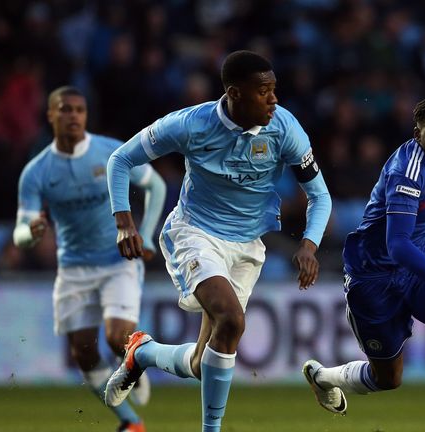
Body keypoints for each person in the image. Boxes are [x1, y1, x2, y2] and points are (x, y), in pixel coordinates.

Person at [103, 50, 332, 432]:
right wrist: (125, 221)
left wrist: (309, 244)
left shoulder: (285, 128)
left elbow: (320, 196)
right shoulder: (190, 124)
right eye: (264, 91)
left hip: (247, 247)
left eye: (274, 89)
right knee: (232, 318)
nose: (274, 98)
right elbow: (120, 160)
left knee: (199, 362)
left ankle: (141, 352)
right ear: (235, 93)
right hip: (196, 234)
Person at [302, 97, 425, 432]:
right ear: (417, 134)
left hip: (418, 266)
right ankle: (323, 377)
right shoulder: (405, 173)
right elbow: (397, 246)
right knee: (388, 379)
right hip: (374, 278)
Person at [13, 86, 166, 432]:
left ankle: (130, 363)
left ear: (86, 115)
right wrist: (31, 232)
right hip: (73, 269)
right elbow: (20, 232)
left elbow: (154, 185)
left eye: (79, 110)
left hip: (118, 262)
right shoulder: (36, 172)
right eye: (65, 109)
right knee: (83, 353)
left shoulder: (109, 152)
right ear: (50, 115)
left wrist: (150, 235)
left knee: (117, 337)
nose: (73, 116)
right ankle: (132, 423)